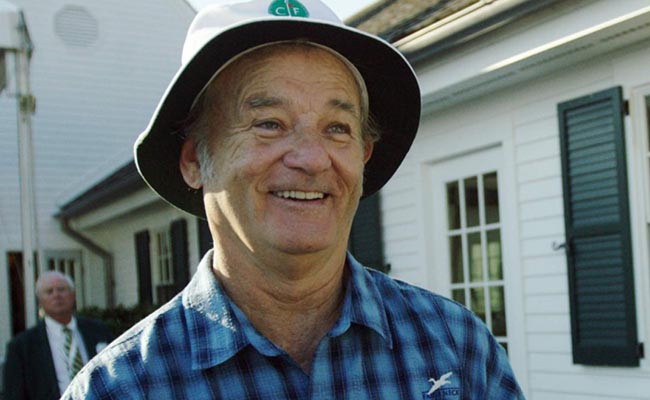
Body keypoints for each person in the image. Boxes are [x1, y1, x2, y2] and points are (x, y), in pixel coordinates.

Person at [64, 0, 524, 398]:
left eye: (337, 128)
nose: (311, 158)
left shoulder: (457, 348)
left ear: (363, 158)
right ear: (194, 160)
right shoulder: (121, 388)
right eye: (270, 123)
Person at [3, 271, 113, 400]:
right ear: (40, 301)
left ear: (73, 295)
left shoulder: (99, 331)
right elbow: (14, 394)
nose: (56, 295)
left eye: (61, 289)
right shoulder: (21, 347)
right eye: (49, 292)